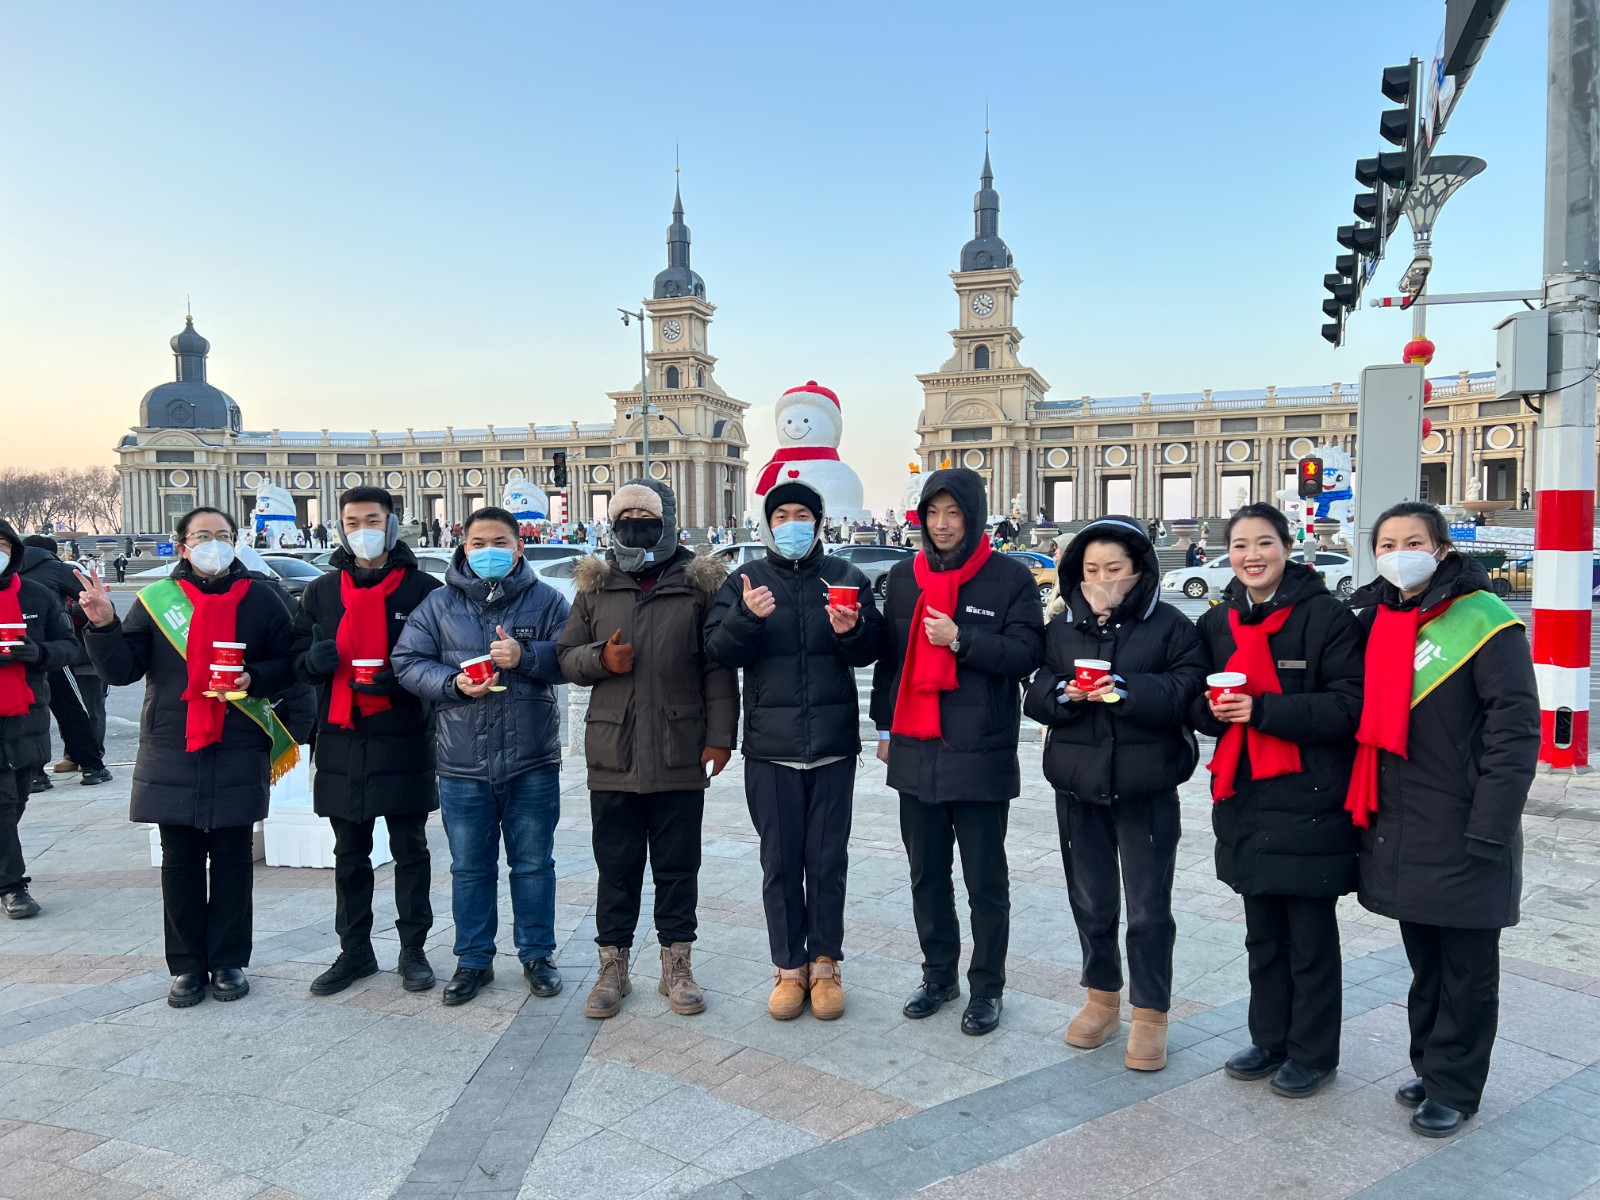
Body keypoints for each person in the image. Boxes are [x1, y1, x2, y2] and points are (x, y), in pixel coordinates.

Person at [1347, 502, 1538, 1138]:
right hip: (1403, 823)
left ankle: (1457, 1086)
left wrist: (1491, 824)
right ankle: (1431, 1067)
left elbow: (1514, 734)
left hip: (1465, 825)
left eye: (1413, 540)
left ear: (1442, 549)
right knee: (1426, 962)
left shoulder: (1485, 622)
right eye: (1386, 542)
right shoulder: (1380, 618)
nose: (1398, 552)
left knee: (1467, 969)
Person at [81, 507, 302, 1006]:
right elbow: (122, 671)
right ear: (182, 546)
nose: (213, 544)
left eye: (222, 536)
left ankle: (227, 962)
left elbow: (291, 661)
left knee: (231, 857)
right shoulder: (156, 601)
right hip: (172, 742)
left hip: (239, 740)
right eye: (202, 536)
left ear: (237, 542)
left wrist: (256, 678)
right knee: (178, 859)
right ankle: (185, 967)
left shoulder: (263, 598)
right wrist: (102, 625)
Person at [1188, 504, 1363, 1097]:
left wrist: (1264, 711)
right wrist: (1209, 713)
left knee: (1309, 938)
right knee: (1261, 933)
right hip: (1244, 797)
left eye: (1264, 543)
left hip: (1310, 795)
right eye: (1239, 545)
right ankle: (1270, 1037)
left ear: (1288, 548)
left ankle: (1314, 1052)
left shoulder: (1327, 618)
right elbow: (1196, 701)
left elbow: (1350, 707)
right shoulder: (1219, 624)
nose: (1251, 555)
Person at [1023, 516, 1206, 1071]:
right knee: (1092, 900)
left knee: (1149, 910)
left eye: (1114, 569)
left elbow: (1185, 691)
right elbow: (1037, 693)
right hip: (1078, 786)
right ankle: (1101, 997)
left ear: (1139, 571)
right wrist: (1065, 694)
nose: (1102, 579)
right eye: (1091, 570)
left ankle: (1151, 1013)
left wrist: (1122, 690)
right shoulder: (1062, 628)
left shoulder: (1172, 626)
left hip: (1145, 787)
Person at [870, 468, 1044, 1036]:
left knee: (985, 879)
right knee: (926, 874)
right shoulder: (903, 577)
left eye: (954, 514)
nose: (942, 525)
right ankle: (939, 975)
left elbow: (1025, 655)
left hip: (981, 751)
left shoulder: (1009, 578)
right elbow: (889, 661)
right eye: (933, 513)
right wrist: (884, 728)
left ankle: (986, 988)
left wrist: (963, 641)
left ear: (973, 517)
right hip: (916, 749)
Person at [705, 481, 885, 1020]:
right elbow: (717, 649)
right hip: (771, 748)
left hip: (831, 746)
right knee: (780, 862)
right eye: (780, 514)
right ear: (768, 524)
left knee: (827, 861)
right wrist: (747, 617)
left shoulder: (846, 577)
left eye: (801, 513)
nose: (791, 523)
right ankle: (788, 966)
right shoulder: (745, 580)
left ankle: (826, 964)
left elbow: (873, 648)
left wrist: (852, 630)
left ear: (819, 520)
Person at [556, 481, 736, 1020]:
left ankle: (676, 964)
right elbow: (565, 657)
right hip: (614, 749)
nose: (635, 521)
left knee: (679, 866)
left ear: (667, 519)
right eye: (625, 513)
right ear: (612, 522)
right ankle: (613, 966)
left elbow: (717, 666)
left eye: (646, 513)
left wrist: (721, 735)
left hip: (679, 747)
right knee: (617, 865)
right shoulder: (595, 584)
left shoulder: (697, 582)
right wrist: (598, 660)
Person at [392, 505, 569, 1006]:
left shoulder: (548, 601)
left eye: (499, 543)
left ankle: (537, 954)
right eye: (478, 543)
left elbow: (575, 657)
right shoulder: (438, 605)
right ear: (463, 548)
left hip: (531, 759)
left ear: (519, 548)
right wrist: (451, 685)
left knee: (534, 864)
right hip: (461, 762)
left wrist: (528, 657)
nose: (488, 552)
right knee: (470, 868)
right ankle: (473, 959)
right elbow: (405, 661)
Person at [292, 488, 444, 997]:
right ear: (339, 527)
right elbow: (296, 656)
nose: (363, 529)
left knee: (410, 850)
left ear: (393, 524)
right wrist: (312, 664)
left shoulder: (423, 589)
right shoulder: (321, 592)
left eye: (373, 519)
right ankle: (354, 950)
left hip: (402, 735)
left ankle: (413, 949)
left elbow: (441, 660)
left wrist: (400, 682)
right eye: (352, 520)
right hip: (340, 736)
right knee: (349, 854)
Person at [0, 521, 76, 919]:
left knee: (18, 796)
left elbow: (68, 646)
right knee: (3, 800)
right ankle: (12, 886)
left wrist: (37, 653)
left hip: (27, 713)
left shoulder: (38, 595)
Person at [20, 536, 112, 789]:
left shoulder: (14, 574)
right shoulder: (56, 569)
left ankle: (35, 772)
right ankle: (93, 766)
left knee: (24, 713)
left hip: (15, 654)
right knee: (71, 709)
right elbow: (91, 599)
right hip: (52, 651)